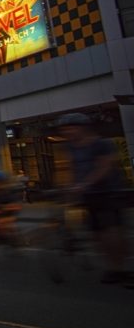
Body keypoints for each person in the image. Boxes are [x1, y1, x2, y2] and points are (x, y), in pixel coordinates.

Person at [56, 112, 130, 284]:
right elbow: (68, 169)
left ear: (83, 128)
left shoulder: (101, 144)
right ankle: (112, 267)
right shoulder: (70, 147)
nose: (68, 133)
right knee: (96, 233)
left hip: (107, 193)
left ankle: (120, 267)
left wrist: (84, 184)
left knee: (110, 231)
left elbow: (104, 167)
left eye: (71, 128)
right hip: (87, 196)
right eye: (65, 129)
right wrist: (64, 186)